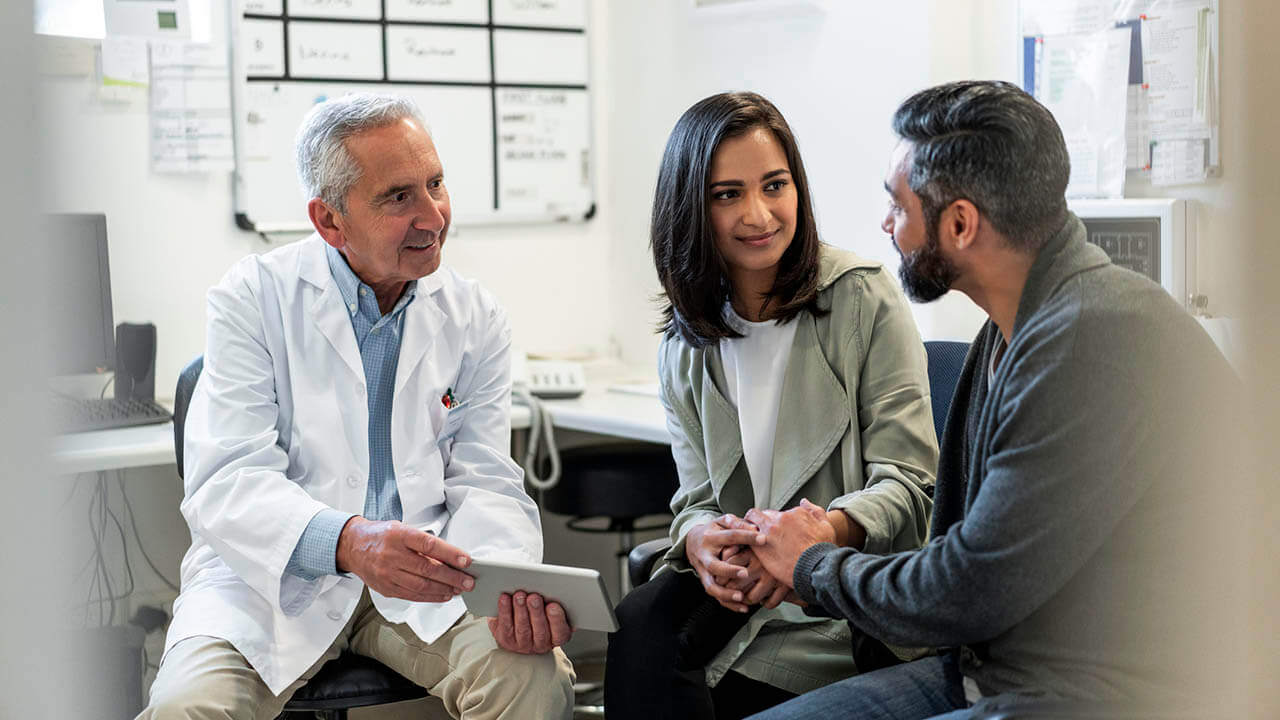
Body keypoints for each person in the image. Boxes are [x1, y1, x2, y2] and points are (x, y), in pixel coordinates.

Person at [742, 81, 1240, 719]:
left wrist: (813, 564)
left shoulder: (1096, 336)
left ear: (959, 223)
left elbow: (973, 585)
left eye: (897, 206)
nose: (886, 225)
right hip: (995, 669)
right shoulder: (1010, 330)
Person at [139, 93, 575, 720]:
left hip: (424, 581)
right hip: (270, 581)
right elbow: (228, 482)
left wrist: (506, 588)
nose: (433, 216)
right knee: (189, 708)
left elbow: (484, 479)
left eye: (436, 184)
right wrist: (347, 542)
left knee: (532, 681)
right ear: (330, 221)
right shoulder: (252, 299)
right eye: (399, 197)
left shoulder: (474, 314)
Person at [604, 91, 939, 720]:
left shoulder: (864, 300)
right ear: (691, 209)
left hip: (839, 593)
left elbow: (910, 484)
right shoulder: (686, 341)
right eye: (727, 194)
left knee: (712, 685)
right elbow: (696, 500)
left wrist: (811, 538)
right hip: (740, 593)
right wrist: (702, 538)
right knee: (641, 620)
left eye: (774, 185)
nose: (758, 214)